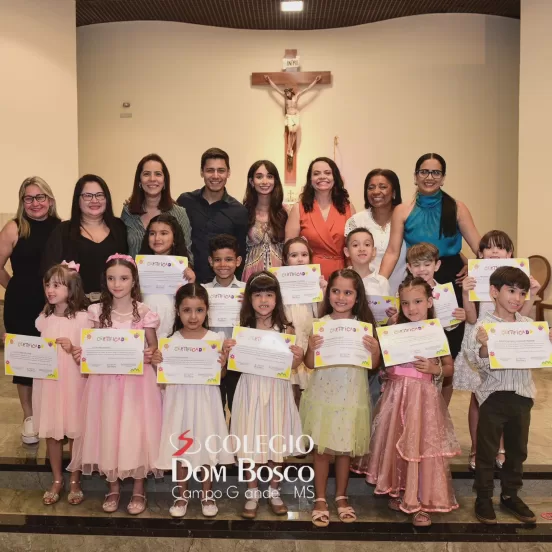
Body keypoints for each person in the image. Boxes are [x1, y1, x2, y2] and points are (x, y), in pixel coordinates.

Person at [353, 276, 460, 527]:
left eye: (418, 301)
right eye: (406, 303)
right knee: (396, 442)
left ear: (430, 301)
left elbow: (449, 367)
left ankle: (419, 501)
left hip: (423, 400)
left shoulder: (435, 331)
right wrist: (386, 372)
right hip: (395, 396)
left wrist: (435, 369)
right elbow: (383, 365)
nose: (412, 308)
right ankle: (400, 488)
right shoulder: (393, 328)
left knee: (418, 446)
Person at [379, 153, 480, 404]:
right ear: (415, 176)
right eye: (424, 171)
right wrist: (376, 284)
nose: (429, 177)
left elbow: (480, 248)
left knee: (447, 352)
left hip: (451, 281)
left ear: (443, 178)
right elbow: (393, 252)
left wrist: (473, 266)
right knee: (418, 347)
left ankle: (439, 415)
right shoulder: (402, 210)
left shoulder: (457, 207)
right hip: (417, 282)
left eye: (436, 173)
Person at [68, 254, 163, 515]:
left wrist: (149, 353)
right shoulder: (96, 311)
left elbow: (153, 347)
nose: (117, 284)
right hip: (105, 384)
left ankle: (138, 489)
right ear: (105, 280)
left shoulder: (144, 312)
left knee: (135, 431)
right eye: (111, 278)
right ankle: (113, 487)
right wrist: (81, 354)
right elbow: (89, 347)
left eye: (123, 278)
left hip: (137, 384)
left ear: (134, 281)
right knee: (108, 428)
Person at [302, 269, 380, 527]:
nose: (341, 297)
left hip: (351, 394)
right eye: (336, 291)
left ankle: (342, 496)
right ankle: (321, 498)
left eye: (348, 292)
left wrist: (375, 350)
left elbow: (373, 365)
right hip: (324, 393)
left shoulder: (363, 327)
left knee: (345, 448)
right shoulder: (320, 323)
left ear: (357, 297)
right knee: (322, 449)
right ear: (328, 293)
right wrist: (311, 348)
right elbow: (310, 364)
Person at [457, 231, 540, 472]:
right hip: (479, 339)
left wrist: (531, 294)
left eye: (500, 248)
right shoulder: (476, 277)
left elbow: (522, 315)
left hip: (507, 340)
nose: (494, 252)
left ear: (510, 254)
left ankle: (501, 448)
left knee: (503, 397)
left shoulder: (513, 281)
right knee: (478, 397)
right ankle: (476, 447)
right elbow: (471, 318)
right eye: (488, 248)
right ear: (479, 253)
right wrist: (465, 292)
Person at [224, 271, 304, 519]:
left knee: (275, 439)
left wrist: (298, 357)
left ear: (277, 298)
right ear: (249, 299)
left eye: (269, 294)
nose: (264, 300)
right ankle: (252, 492)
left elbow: (291, 365)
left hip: (277, 390)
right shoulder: (243, 329)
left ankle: (274, 490)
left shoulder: (286, 327)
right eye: (258, 295)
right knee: (251, 439)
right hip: (250, 388)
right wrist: (228, 351)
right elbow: (232, 363)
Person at [468, 267, 543, 525]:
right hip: (493, 397)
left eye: (522, 293)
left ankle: (510, 495)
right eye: (511, 291)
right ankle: (484, 497)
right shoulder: (482, 326)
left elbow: (539, 358)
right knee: (487, 451)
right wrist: (485, 346)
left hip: (522, 396)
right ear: (494, 292)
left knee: (517, 450)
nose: (517, 298)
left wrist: (546, 343)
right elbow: (476, 362)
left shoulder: (529, 326)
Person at [156, 284, 234, 518]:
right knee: (182, 446)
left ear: (207, 311)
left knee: (205, 444)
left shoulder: (215, 338)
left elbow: (220, 377)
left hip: (205, 400)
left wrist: (223, 364)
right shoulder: (170, 341)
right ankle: (182, 495)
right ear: (177, 312)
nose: (193, 316)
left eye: (199, 310)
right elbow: (163, 378)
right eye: (187, 310)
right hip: (179, 400)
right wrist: (158, 361)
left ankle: (207, 494)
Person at [0, 176, 61, 444]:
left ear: (50, 199)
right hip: (21, 304)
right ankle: (29, 418)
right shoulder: (14, 228)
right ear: (22, 201)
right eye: (29, 198)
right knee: (25, 362)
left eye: (40, 197)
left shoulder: (62, 228)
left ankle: (53, 415)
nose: (35, 203)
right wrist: (14, 286)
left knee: (54, 361)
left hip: (55, 305)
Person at [33, 263, 89, 506]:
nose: (50, 289)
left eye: (56, 285)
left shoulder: (84, 319)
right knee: (52, 431)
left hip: (74, 381)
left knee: (75, 429)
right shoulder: (43, 319)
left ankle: (75, 479)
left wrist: (74, 349)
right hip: (50, 384)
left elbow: (90, 354)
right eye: (48, 284)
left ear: (72, 288)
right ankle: (57, 478)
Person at [42, 175, 128, 303]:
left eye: (100, 195)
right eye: (87, 196)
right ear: (78, 200)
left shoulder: (119, 227)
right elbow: (49, 272)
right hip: (75, 307)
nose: (94, 200)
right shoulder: (63, 231)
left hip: (114, 305)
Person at [177, 148, 248, 284]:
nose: (215, 176)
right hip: (186, 282)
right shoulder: (185, 201)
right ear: (202, 172)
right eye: (210, 170)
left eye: (221, 170)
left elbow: (240, 254)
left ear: (228, 173)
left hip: (222, 287)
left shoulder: (239, 211)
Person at [285, 157, 355, 280]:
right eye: (316, 174)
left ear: (335, 177)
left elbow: (354, 243)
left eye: (327, 173)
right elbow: (289, 247)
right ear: (310, 180)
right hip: (308, 275)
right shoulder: (298, 208)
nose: (322, 177)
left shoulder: (348, 208)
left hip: (341, 274)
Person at [344, 228, 391, 405]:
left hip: (372, 346)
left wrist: (391, 316)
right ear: (347, 251)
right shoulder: (341, 279)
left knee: (371, 396)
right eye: (355, 245)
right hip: (348, 345)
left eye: (367, 244)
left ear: (374, 252)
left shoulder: (381, 283)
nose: (362, 249)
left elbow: (387, 320)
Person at [202, 235, 246, 415]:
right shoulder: (204, 291)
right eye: (218, 260)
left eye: (228, 259)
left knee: (239, 407)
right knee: (215, 408)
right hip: (213, 358)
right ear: (210, 261)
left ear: (238, 261)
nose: (223, 265)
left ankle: (236, 442)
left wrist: (248, 305)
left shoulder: (247, 291)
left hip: (239, 360)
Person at [345, 169, 406, 294]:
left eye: (383, 187)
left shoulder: (406, 219)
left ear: (394, 192)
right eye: (371, 188)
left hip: (402, 291)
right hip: (364, 293)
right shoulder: (357, 221)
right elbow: (349, 258)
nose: (376, 191)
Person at [281, 237, 327, 406]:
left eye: (304, 254)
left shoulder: (316, 282)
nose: (300, 259)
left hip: (308, 341)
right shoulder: (278, 282)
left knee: (307, 395)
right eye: (294, 255)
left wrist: (324, 291)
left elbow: (321, 314)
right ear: (285, 260)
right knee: (290, 394)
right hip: (289, 342)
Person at [121, 153, 193, 259]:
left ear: (164, 181)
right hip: (134, 274)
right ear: (139, 181)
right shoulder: (128, 212)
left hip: (170, 275)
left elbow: (187, 255)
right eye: (146, 174)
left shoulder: (179, 213)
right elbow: (122, 250)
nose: (152, 179)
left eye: (158, 174)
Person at [138, 214, 196, 339]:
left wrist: (191, 282)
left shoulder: (185, 269)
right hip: (143, 323)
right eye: (152, 233)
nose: (157, 238)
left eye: (164, 233)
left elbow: (189, 302)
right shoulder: (137, 266)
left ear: (174, 238)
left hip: (172, 323)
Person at [242, 160, 288, 282]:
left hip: (281, 274)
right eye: (259, 177)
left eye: (269, 176)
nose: (264, 181)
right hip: (251, 274)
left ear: (275, 181)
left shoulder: (286, 212)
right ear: (251, 182)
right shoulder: (243, 212)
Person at [264, 74, 322, 161]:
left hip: (295, 115)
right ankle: (289, 148)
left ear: (291, 92)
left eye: (289, 92)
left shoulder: (296, 96)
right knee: (290, 132)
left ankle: (291, 148)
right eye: (286, 92)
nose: (287, 93)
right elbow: (275, 88)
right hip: (289, 116)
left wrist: (315, 81)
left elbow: (307, 89)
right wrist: (269, 80)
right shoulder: (285, 97)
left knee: (293, 133)